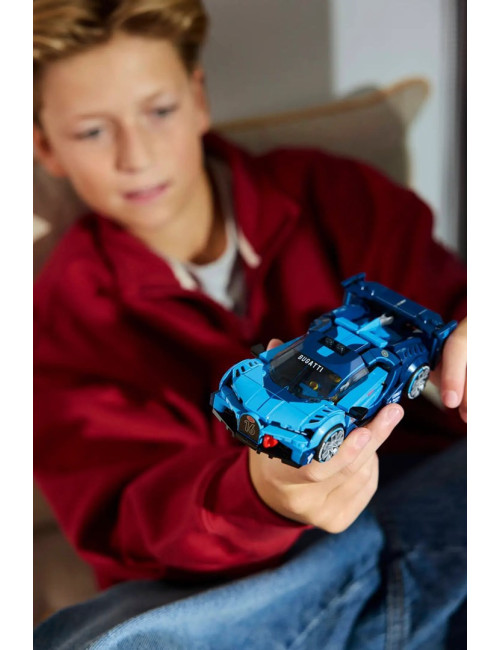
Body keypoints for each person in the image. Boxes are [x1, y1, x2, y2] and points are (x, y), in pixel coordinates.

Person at [33, 0, 467, 647]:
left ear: (198, 99)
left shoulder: (332, 192)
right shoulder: (60, 318)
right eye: (93, 131)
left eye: (159, 111)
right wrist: (261, 493)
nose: (137, 155)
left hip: (424, 496)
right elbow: (130, 518)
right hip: (245, 576)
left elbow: (449, 307)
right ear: (45, 146)